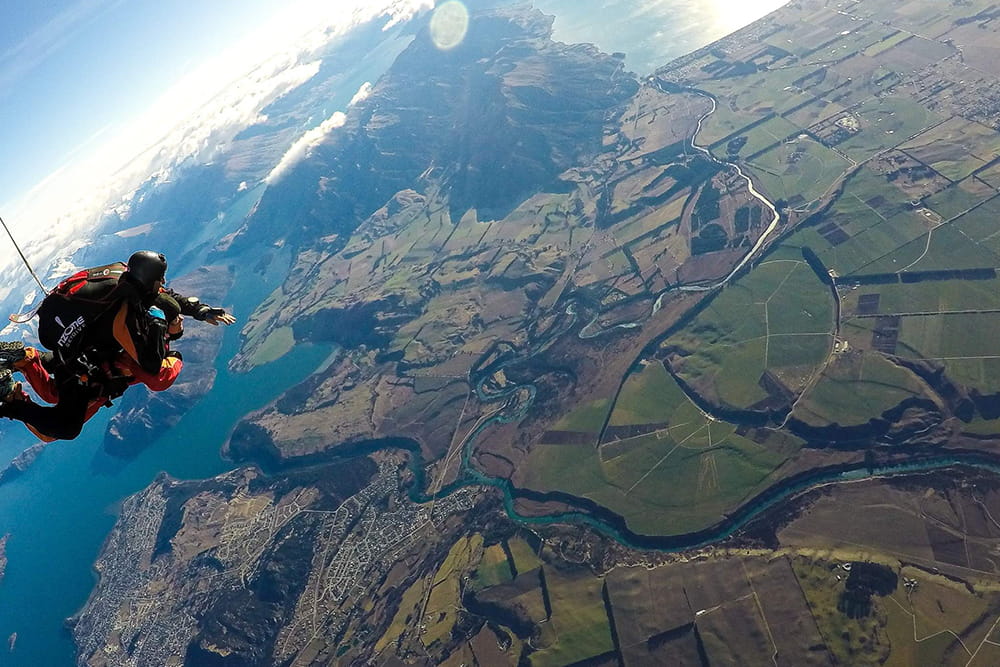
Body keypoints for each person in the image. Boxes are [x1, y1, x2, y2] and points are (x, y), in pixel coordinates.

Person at [0, 251, 236, 441]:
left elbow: (167, 296)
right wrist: (169, 340)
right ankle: (10, 400)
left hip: (80, 355)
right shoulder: (136, 321)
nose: (162, 282)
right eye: (159, 278)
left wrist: (200, 311)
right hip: (90, 372)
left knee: (53, 395)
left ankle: (25, 361)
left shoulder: (127, 284)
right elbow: (155, 370)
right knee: (63, 429)